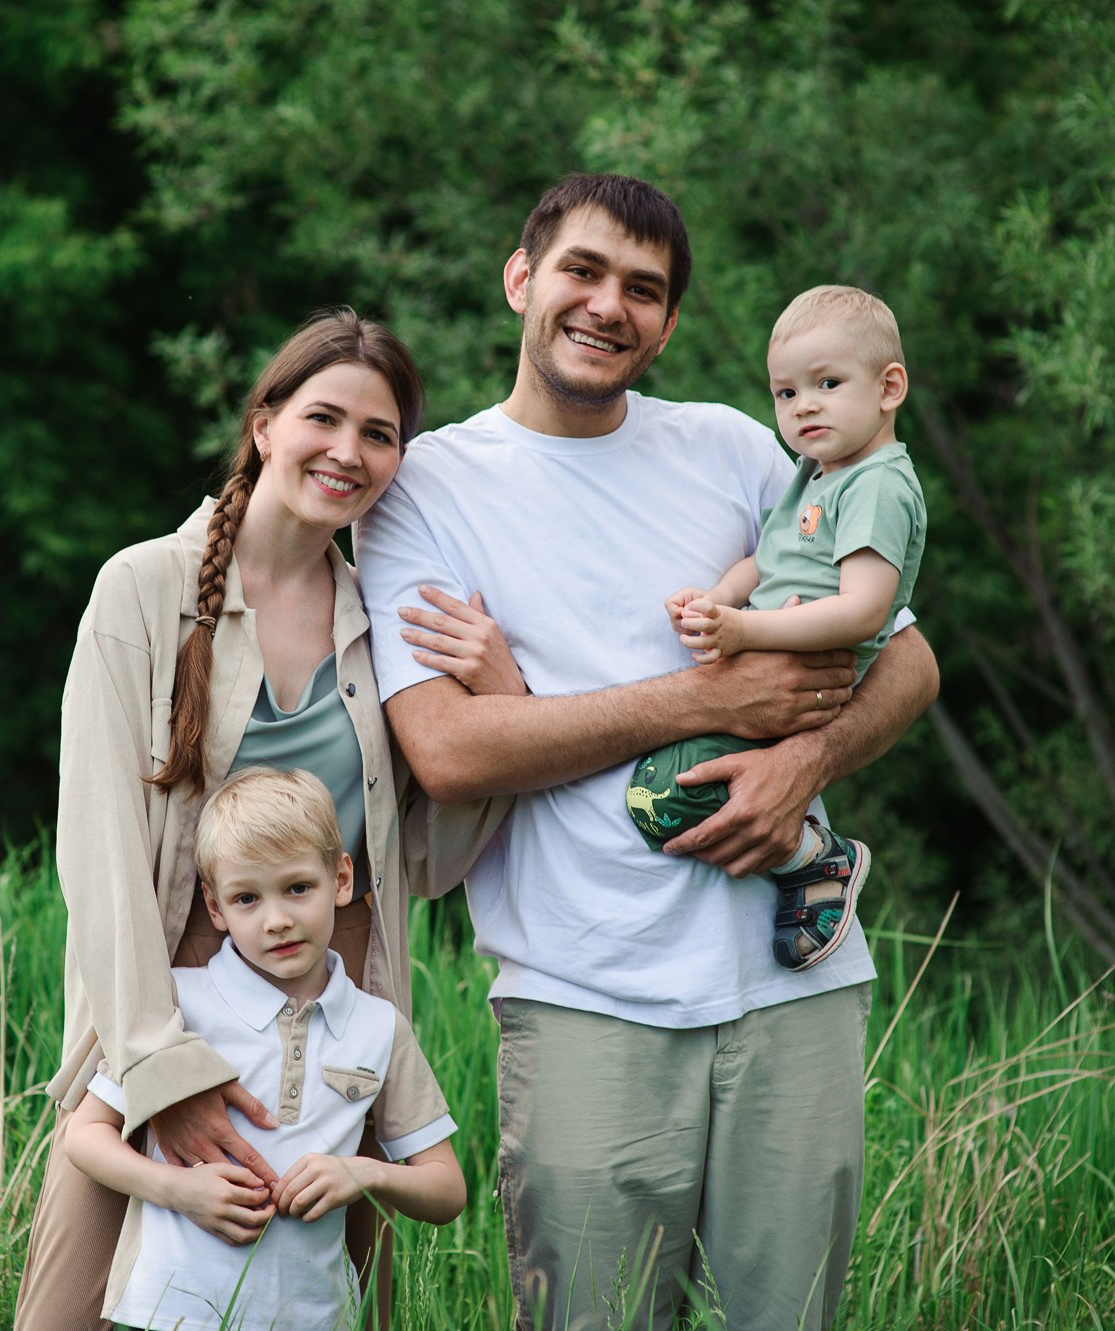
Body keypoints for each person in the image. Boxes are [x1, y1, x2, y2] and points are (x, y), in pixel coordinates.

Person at [357, 175, 940, 1330]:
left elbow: (908, 661)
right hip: (585, 990)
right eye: (580, 270)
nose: (606, 305)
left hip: (794, 978)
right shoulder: (425, 486)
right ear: (520, 278)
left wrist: (802, 764)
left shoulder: (734, 450)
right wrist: (704, 696)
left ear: (666, 324)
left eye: (642, 288)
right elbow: (449, 749)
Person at [15, 308, 522, 1331]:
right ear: (263, 424)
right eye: (322, 418)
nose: (347, 451)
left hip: (329, 1017)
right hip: (163, 1002)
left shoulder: (382, 619)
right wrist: (163, 1068)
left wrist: (504, 702)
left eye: (378, 434)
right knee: (82, 1307)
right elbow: (100, 853)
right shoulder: (142, 589)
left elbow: (421, 858)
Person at [65, 766, 467, 1331]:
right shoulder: (177, 1005)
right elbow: (85, 1136)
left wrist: (365, 1175)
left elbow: (447, 1189)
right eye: (247, 898)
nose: (276, 921)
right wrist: (179, 1190)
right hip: (172, 1313)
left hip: (316, 1317)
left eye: (298, 888)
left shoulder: (379, 1027)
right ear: (215, 908)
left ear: (341, 879)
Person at [633, 284, 927, 972]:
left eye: (828, 384)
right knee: (663, 786)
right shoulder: (815, 474)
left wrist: (743, 632)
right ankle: (800, 858)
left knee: (666, 797)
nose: (804, 407)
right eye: (786, 393)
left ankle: (815, 857)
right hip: (770, 659)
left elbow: (865, 611)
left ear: (889, 388)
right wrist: (716, 598)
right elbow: (767, 560)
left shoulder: (878, 484)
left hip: (809, 679)